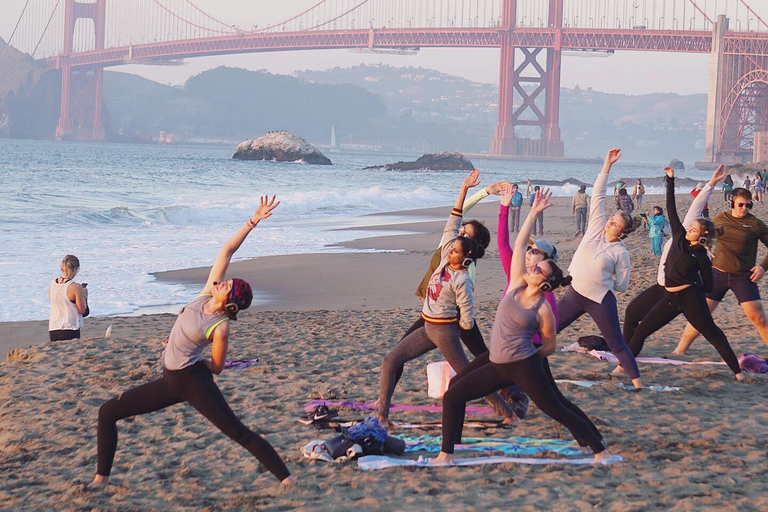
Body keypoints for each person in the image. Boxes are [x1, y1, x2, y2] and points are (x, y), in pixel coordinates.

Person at [91, 196, 293, 488]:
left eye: (228, 285)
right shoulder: (205, 294)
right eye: (226, 281)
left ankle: (286, 479)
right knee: (107, 412)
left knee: (238, 432)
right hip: (168, 381)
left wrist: (195, 359)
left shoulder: (221, 327)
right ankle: (101, 479)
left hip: (193, 383)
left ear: (231, 299)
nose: (222, 282)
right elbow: (227, 250)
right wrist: (253, 221)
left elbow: (218, 367)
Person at [430, 188, 611, 465]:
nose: (531, 266)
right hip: (496, 361)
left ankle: (600, 450)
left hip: (522, 364)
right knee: (454, 392)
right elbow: (519, 241)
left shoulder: (543, 308)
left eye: (539, 269)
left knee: (556, 408)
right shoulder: (517, 282)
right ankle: (448, 453)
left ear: (546, 283)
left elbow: (549, 345)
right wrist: (534, 212)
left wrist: (529, 361)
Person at [377, 170, 516, 428]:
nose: (456, 238)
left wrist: (458, 325)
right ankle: (382, 415)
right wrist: (467, 188)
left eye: (463, 238)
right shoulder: (447, 251)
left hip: (445, 328)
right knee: (390, 360)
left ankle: (507, 408)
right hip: (428, 324)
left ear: (468, 252)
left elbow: (468, 311)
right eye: (458, 235)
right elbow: (455, 218)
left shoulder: (464, 275)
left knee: (471, 372)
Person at [499, 186, 604, 441]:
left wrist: (533, 347)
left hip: (528, 351)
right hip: (511, 349)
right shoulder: (516, 275)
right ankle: (513, 400)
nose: (528, 253)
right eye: (529, 249)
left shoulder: (545, 294)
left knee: (553, 402)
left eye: (535, 252)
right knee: (548, 398)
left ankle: (593, 438)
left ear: (546, 262)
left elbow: (550, 332)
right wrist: (504, 207)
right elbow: (504, 242)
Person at [621, 167, 743, 380]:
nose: (690, 228)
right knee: (633, 316)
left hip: (688, 297)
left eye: (694, 228)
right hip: (664, 291)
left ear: (702, 235)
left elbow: (708, 286)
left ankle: (738, 373)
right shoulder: (679, 234)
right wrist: (670, 180)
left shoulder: (701, 255)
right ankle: (623, 363)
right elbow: (672, 206)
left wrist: (692, 283)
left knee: (712, 333)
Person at [556, 149, 643, 389]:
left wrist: (603, 283)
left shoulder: (620, 253)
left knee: (617, 344)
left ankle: (637, 383)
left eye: (614, 224)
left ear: (622, 232)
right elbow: (598, 196)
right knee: (545, 331)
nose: (609, 223)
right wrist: (607, 165)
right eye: (610, 219)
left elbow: (622, 285)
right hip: (574, 294)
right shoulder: (595, 227)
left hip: (600, 299)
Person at [674, 186, 768, 355]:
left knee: (759, 318)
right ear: (731, 203)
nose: (744, 208)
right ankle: (680, 351)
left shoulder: (755, 224)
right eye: (740, 204)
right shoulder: (720, 219)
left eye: (748, 205)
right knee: (700, 316)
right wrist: (706, 248)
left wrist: (762, 267)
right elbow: (707, 235)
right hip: (716, 275)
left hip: (743, 277)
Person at [48, 254, 89, 341]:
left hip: (54, 327)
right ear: (75, 269)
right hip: (70, 327)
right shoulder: (75, 287)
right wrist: (84, 296)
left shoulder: (52, 284)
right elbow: (82, 311)